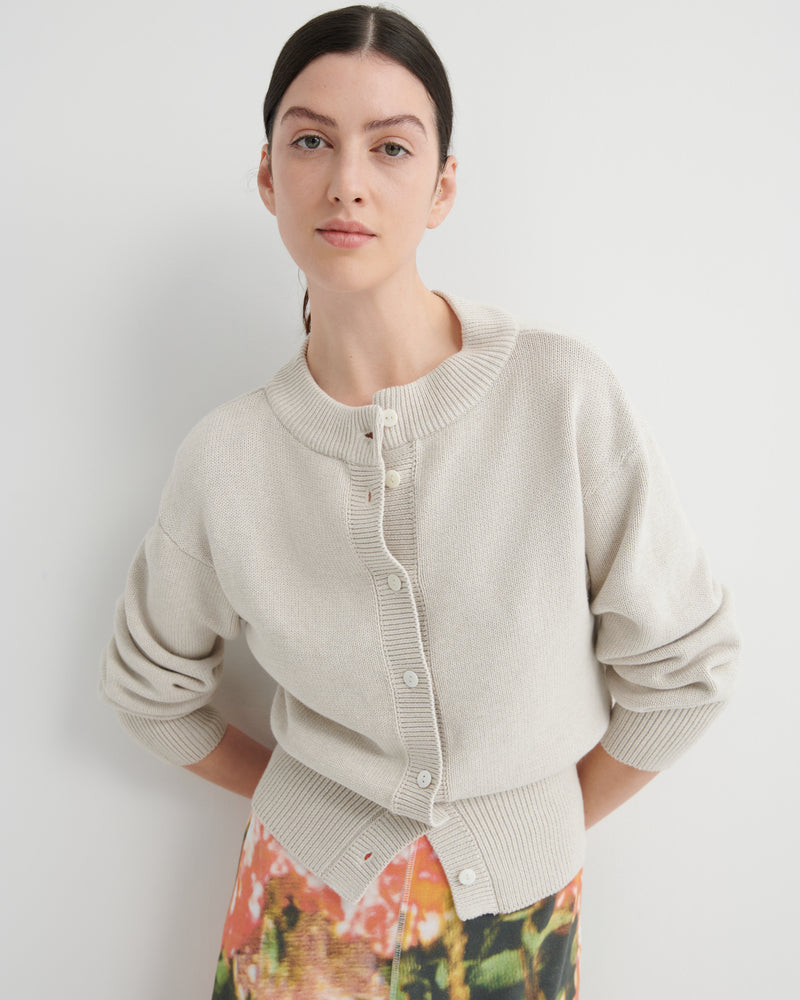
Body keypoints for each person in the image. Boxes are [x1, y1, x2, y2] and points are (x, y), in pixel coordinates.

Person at [99, 5, 740, 998]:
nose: (345, 180)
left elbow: (685, 673)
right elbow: (151, 694)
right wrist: (309, 795)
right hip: (297, 915)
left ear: (441, 187)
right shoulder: (226, 456)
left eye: (389, 147)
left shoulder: (557, 395)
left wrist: (531, 813)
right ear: (269, 176)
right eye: (309, 140)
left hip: (515, 924)